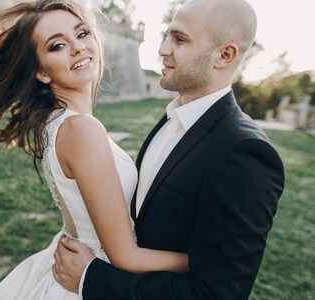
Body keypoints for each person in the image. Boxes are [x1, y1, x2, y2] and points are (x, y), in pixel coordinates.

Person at [0, 0, 195, 299]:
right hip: (93, 280)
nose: (77, 48)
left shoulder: (57, 123)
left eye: (81, 34)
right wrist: (201, 260)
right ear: (41, 73)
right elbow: (125, 256)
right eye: (56, 46)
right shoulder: (81, 130)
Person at [52, 0, 285, 299]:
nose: (163, 48)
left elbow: (215, 293)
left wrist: (91, 279)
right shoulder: (172, 117)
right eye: (166, 35)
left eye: (179, 39)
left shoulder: (245, 155)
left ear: (224, 55)